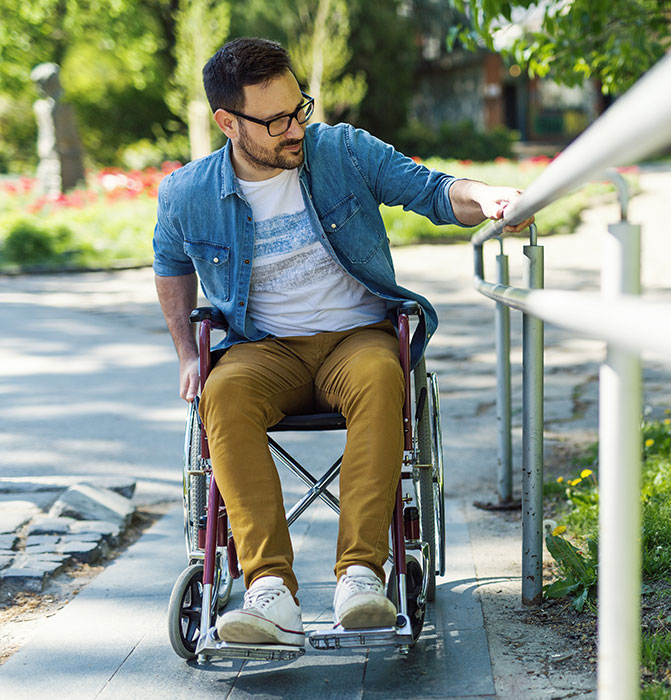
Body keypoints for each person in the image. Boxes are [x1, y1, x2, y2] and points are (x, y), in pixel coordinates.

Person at [153, 37, 532, 647]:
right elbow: (170, 264)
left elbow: (434, 190)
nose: (294, 128)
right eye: (274, 120)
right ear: (228, 122)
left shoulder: (342, 151)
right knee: (221, 397)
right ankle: (268, 591)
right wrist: (186, 353)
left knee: (386, 375)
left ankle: (361, 575)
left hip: (356, 339)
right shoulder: (188, 194)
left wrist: (486, 197)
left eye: (298, 108)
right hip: (264, 347)